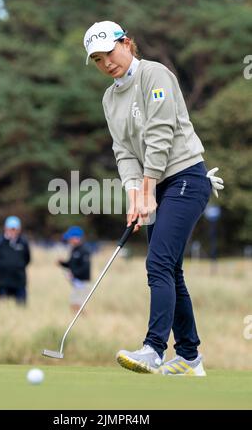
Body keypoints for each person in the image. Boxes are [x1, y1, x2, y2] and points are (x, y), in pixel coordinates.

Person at [83, 21, 224, 376]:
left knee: (157, 264)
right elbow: (123, 150)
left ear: (126, 43)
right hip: (154, 185)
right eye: (97, 60)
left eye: (109, 52)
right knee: (171, 270)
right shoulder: (109, 98)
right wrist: (134, 194)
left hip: (186, 179)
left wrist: (146, 188)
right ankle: (190, 357)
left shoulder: (154, 74)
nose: (106, 63)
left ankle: (154, 348)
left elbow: (160, 135)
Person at [0, 216, 31, 305]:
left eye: (15, 229)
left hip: (19, 279)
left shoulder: (23, 242)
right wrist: (1, 267)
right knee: (3, 305)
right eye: (11, 229)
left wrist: (18, 266)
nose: (13, 231)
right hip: (3, 280)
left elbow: (27, 259)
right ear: (5, 228)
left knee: (21, 305)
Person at [57, 226, 92, 313]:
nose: (69, 240)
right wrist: (62, 263)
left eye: (70, 238)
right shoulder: (74, 249)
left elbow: (85, 267)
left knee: (77, 305)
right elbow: (71, 264)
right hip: (76, 281)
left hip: (82, 282)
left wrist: (75, 274)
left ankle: (85, 320)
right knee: (74, 305)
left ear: (77, 238)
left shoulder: (84, 250)